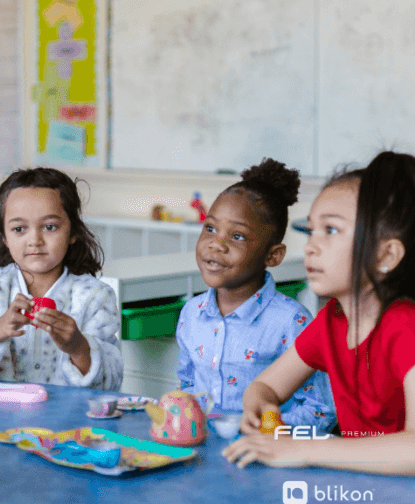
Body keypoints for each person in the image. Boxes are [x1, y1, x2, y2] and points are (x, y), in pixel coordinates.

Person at [223, 151, 415, 475]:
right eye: (311, 231)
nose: (310, 246)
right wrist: (260, 406)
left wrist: (302, 448)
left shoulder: (406, 327)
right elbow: (265, 387)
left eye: (332, 230)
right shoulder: (331, 323)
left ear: (386, 255)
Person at [177, 158, 335, 430]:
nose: (216, 244)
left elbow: (321, 410)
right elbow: (188, 386)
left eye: (237, 236)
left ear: (273, 255)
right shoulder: (191, 314)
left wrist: (266, 432)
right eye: (210, 228)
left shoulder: (291, 321)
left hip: (264, 456)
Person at [0, 167, 122, 390]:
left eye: (50, 227)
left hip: (65, 422)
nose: (35, 240)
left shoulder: (95, 296)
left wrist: (79, 348)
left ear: (73, 232)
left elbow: (113, 382)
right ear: (4, 236)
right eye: (19, 229)